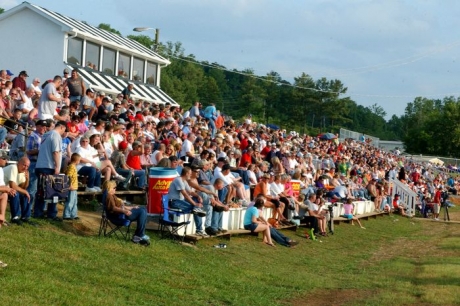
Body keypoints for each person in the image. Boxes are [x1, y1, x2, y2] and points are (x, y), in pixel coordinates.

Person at [33, 120, 68, 220]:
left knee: (41, 191)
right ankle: (51, 214)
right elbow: (56, 152)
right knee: (54, 191)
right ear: (62, 127)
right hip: (49, 166)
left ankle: (38, 212)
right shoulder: (56, 135)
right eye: (64, 129)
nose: (64, 132)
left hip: (41, 165)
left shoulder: (46, 134)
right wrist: (57, 167)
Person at [103, 180, 150, 246]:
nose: (115, 189)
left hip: (121, 213)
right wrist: (124, 211)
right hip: (119, 216)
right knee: (142, 212)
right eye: (114, 188)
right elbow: (114, 208)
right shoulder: (109, 197)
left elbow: (121, 205)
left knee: (143, 209)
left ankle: (139, 234)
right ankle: (138, 235)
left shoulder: (112, 195)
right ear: (109, 188)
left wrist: (131, 207)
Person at [4, 157, 32, 225]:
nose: (25, 168)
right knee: (15, 192)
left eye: (27, 166)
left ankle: (25, 217)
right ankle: (15, 217)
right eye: (24, 165)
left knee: (24, 194)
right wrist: (25, 191)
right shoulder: (13, 167)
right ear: (18, 163)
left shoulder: (23, 172)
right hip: (2, 189)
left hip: (8, 189)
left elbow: (23, 187)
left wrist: (27, 179)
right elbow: (13, 186)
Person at [63, 153, 81, 220]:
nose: (79, 162)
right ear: (77, 160)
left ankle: (74, 214)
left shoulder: (73, 167)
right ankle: (66, 215)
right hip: (72, 188)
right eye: (79, 161)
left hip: (75, 188)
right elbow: (68, 176)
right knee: (70, 201)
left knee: (74, 202)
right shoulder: (71, 167)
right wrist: (70, 185)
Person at [0, 151, 14, 228]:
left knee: (4, 194)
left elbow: (2, 186)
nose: (6, 161)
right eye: (4, 159)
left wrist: (9, 190)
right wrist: (6, 189)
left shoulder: (1, 170)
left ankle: (2, 217)